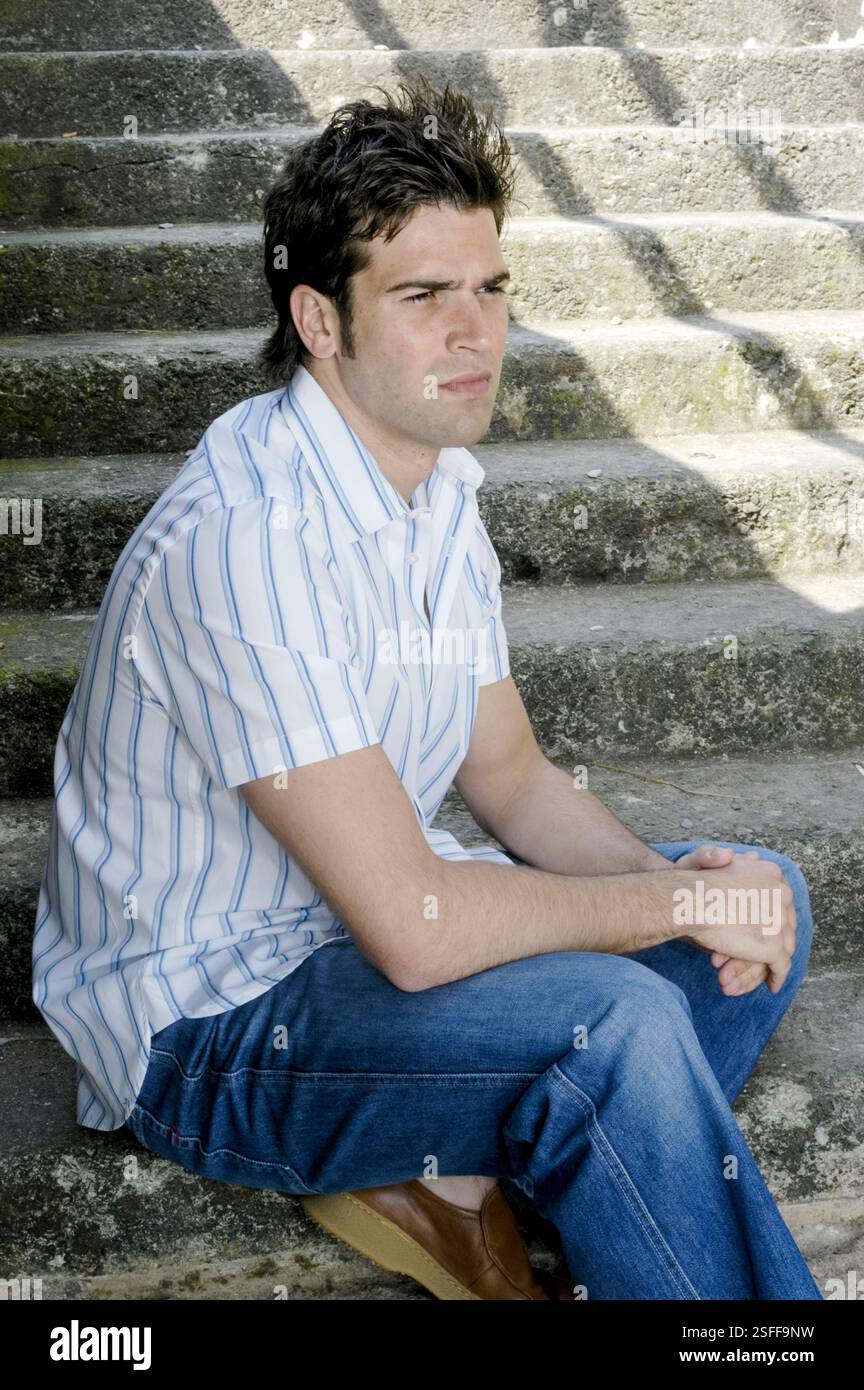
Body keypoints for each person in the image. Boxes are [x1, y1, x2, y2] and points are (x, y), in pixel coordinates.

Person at [32, 78, 822, 1301]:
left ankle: (456, 1174)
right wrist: (663, 905)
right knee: (616, 1023)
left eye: (491, 288)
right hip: (215, 1024)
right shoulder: (246, 538)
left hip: (365, 950)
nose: (477, 331)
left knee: (775, 905)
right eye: (423, 296)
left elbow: (506, 774)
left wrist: (698, 893)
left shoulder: (435, 490)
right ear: (320, 318)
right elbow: (415, 927)